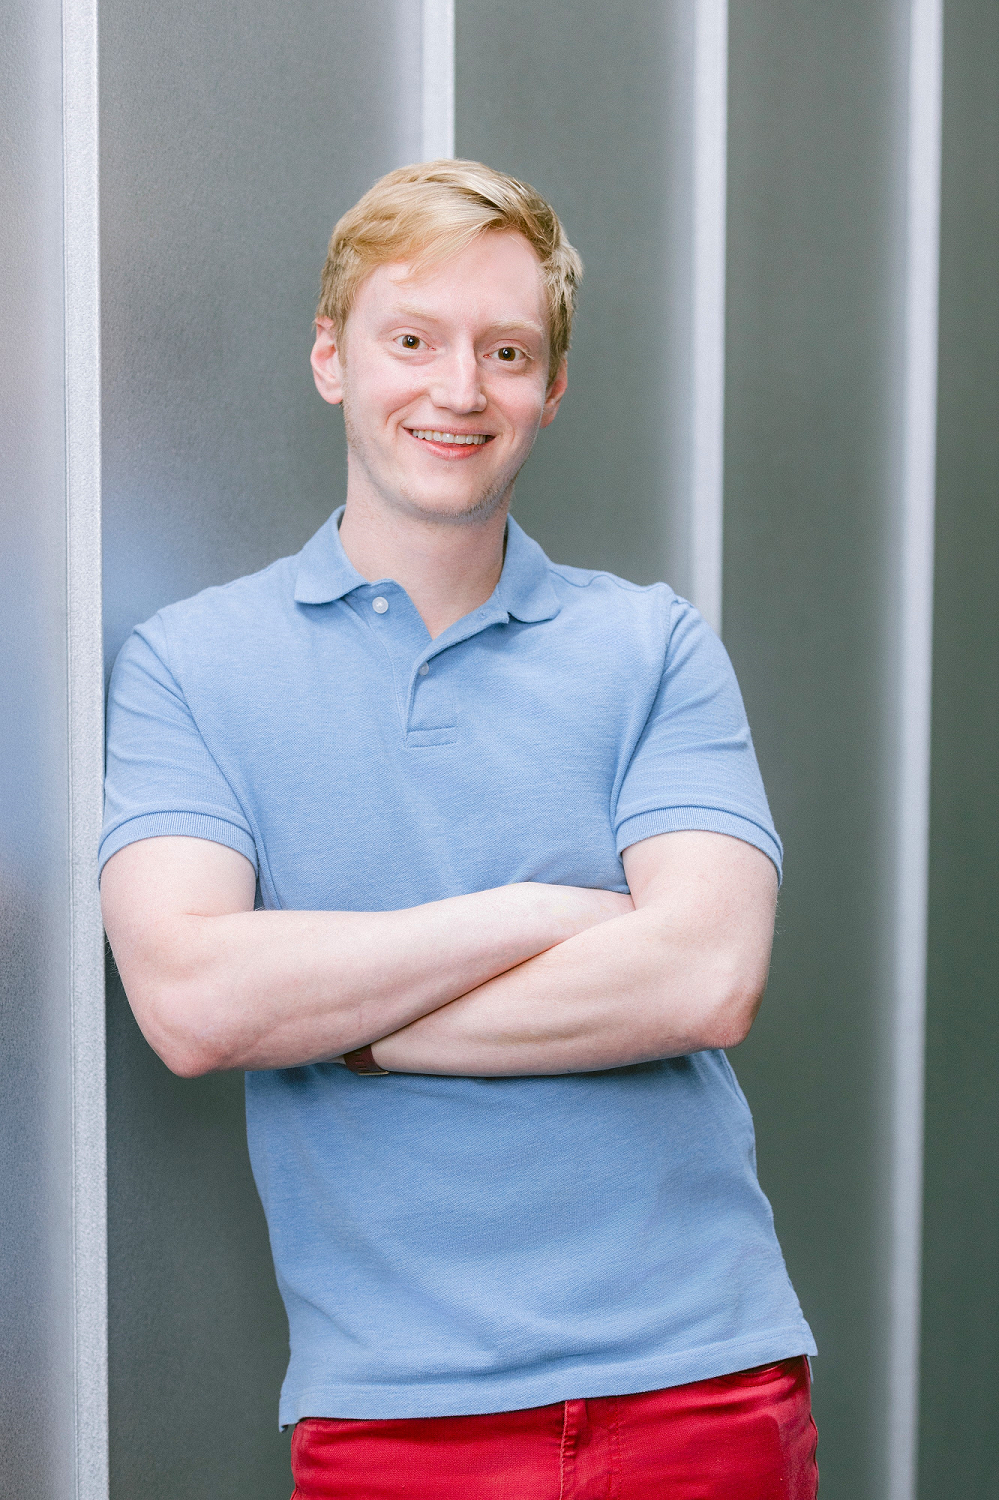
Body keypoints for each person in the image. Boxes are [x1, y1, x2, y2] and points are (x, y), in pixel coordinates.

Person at [100, 159, 818, 1499]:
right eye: (411, 340)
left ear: (550, 389)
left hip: (700, 1388)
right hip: (394, 1418)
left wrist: (340, 1021)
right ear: (332, 360)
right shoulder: (191, 666)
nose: (457, 389)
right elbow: (194, 1003)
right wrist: (538, 914)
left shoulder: (648, 644)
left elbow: (704, 977)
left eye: (505, 351)